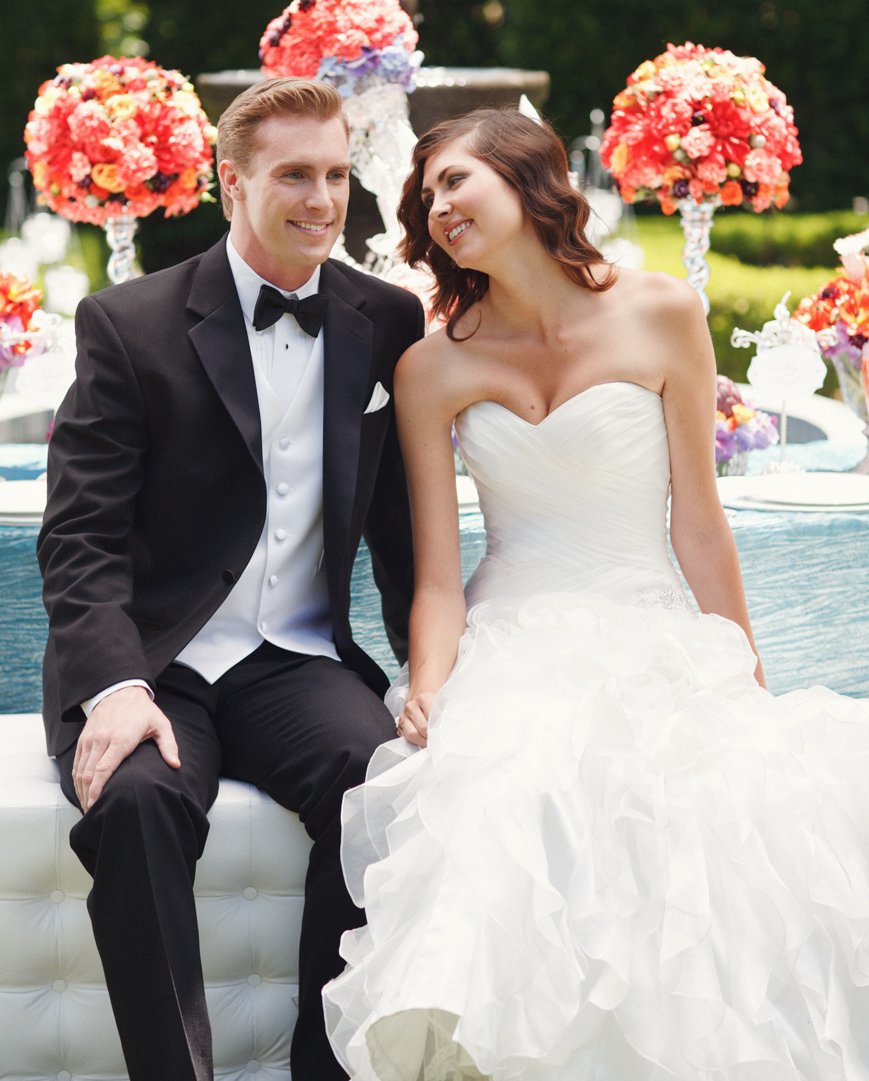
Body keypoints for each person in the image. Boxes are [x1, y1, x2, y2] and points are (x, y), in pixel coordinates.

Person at [323, 108, 869, 1081]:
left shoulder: (662, 311)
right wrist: (428, 685)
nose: (437, 203)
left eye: (456, 180)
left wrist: (739, 663)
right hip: (513, 636)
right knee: (502, 790)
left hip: (651, 626)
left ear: (529, 180)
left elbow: (699, 523)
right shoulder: (431, 364)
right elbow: (439, 577)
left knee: (718, 804)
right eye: (426, 192)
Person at [37, 76, 425, 1081]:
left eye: (338, 174)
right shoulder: (130, 324)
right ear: (231, 181)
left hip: (297, 662)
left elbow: (404, 535)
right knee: (133, 806)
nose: (323, 199)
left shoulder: (386, 320)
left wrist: (431, 675)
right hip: (157, 660)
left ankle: (322, 1070)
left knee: (381, 785)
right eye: (295, 174)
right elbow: (79, 540)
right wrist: (114, 685)